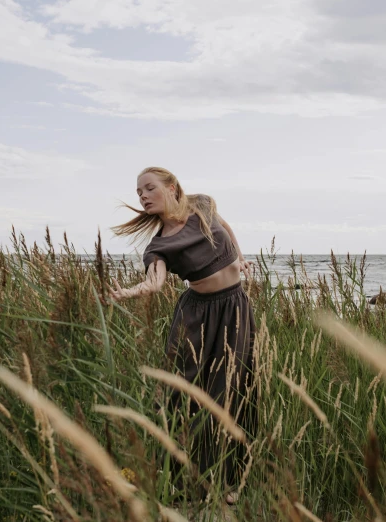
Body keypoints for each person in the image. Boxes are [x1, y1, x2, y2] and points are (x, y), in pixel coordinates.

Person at [109, 166, 256, 504]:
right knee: (183, 395)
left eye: (148, 188)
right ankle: (187, 481)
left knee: (232, 389)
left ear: (171, 187)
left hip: (235, 307)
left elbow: (226, 228)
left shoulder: (202, 205)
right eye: (138, 193)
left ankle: (230, 482)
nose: (143, 196)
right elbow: (155, 280)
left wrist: (241, 258)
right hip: (197, 314)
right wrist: (134, 291)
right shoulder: (160, 244)